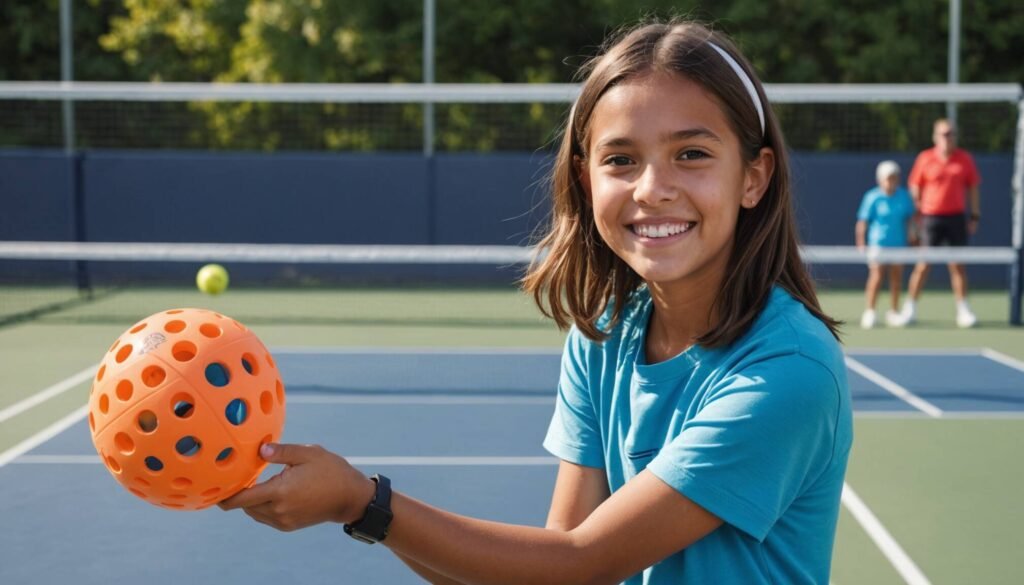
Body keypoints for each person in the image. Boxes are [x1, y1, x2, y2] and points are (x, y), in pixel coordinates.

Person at [220, 20, 853, 585]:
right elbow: (552, 567)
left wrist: (364, 503)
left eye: (692, 154)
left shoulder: (786, 371)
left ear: (753, 177)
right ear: (586, 178)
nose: (653, 189)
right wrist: (364, 512)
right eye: (621, 160)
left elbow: (580, 563)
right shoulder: (604, 334)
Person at [900, 118, 982, 328]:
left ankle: (963, 309)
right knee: (923, 264)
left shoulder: (965, 159)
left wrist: (974, 215)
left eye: (951, 133)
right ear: (935, 137)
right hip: (930, 218)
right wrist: (917, 211)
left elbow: (973, 188)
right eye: (944, 134)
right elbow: (915, 185)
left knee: (957, 266)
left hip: (955, 218)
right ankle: (910, 308)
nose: (948, 137)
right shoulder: (925, 158)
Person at [855, 160, 915, 328]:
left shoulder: (904, 196)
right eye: (888, 178)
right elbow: (862, 222)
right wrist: (861, 243)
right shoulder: (872, 197)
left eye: (895, 177)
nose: (891, 181)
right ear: (880, 179)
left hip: (899, 245)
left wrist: (913, 236)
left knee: (896, 278)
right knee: (877, 276)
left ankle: (894, 312)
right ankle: (870, 312)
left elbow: (910, 220)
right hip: (877, 244)